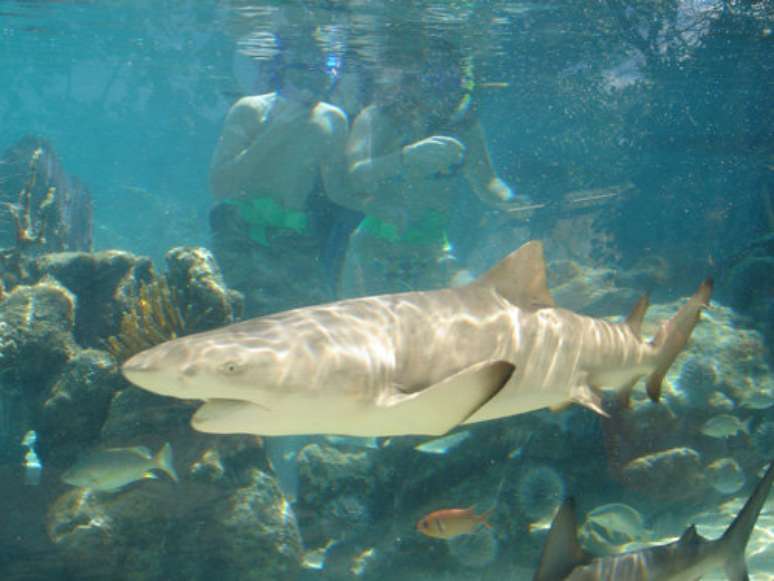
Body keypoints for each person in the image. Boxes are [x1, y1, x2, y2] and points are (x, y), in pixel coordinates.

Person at [337, 47, 528, 297]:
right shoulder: (378, 118)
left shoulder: (465, 128)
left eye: (456, 85)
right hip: (375, 250)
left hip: (434, 251)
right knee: (374, 331)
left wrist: (509, 200)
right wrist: (405, 158)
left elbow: (487, 182)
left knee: (478, 308)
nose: (449, 95)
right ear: (417, 83)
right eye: (439, 82)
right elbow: (354, 175)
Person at [208, 43, 351, 316]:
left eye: (319, 72)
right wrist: (275, 133)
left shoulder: (333, 119)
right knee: (233, 324)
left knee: (302, 330)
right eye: (300, 71)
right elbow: (219, 186)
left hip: (294, 242)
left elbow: (338, 192)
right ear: (282, 71)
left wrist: (390, 186)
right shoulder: (249, 110)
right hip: (240, 236)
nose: (309, 82)